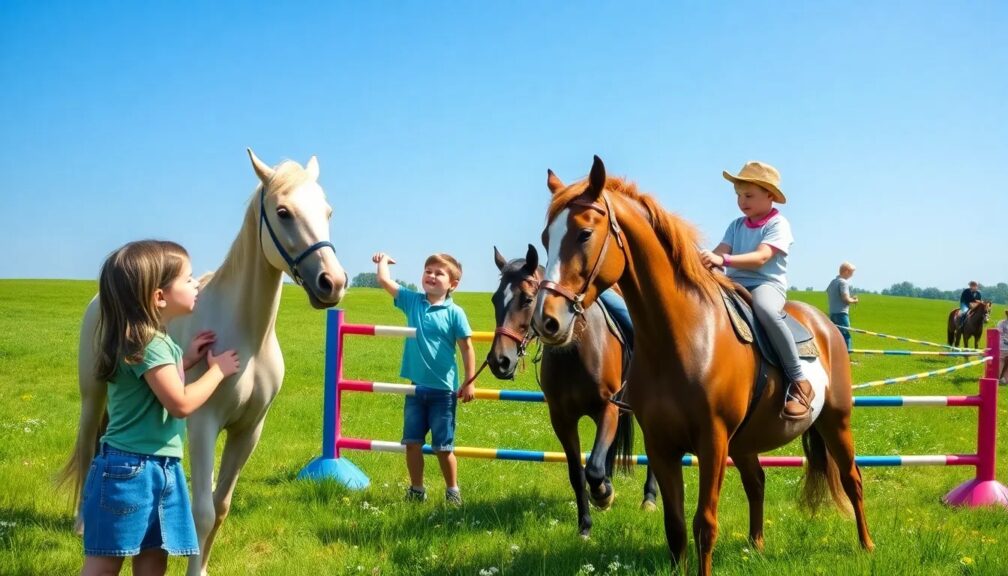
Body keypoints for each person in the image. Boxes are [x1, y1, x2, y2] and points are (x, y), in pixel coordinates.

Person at [80, 240, 240, 576]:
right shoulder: (151, 344)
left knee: (154, 562)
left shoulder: (151, 340)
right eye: (188, 279)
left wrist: (188, 357)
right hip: (130, 472)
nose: (196, 283)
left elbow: (155, 383)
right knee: (105, 564)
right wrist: (216, 372)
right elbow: (180, 403)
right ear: (159, 297)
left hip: (156, 469)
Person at [700, 161, 812, 420]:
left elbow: (762, 257)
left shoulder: (778, 224)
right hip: (732, 283)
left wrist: (723, 261)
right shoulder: (736, 225)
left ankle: (799, 382)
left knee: (765, 310)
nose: (742, 201)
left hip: (765, 284)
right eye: (738, 195)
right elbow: (719, 252)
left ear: (770, 195)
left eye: (748, 195)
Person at [372, 251, 476, 505]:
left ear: (453, 284)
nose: (431, 276)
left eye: (439, 273)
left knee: (443, 448)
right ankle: (416, 489)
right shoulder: (413, 302)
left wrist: (469, 380)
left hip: (444, 393)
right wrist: (383, 262)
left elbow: (466, 348)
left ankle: (453, 491)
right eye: (428, 271)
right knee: (412, 443)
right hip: (416, 391)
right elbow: (386, 282)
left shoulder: (455, 313)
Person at [826, 262, 860, 353]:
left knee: (836, 336)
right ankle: (846, 359)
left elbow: (830, 293)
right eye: (851, 272)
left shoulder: (833, 282)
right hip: (841, 313)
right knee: (846, 335)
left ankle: (836, 355)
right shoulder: (843, 282)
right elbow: (845, 299)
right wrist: (854, 300)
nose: (852, 275)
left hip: (833, 313)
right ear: (846, 271)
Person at [998, 309, 1008, 386]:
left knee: (1001, 362)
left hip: (1002, 346)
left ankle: (997, 378)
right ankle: (1005, 379)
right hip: (1003, 346)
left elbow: (998, 333)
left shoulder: (1001, 323)